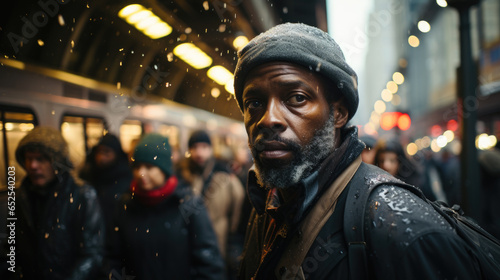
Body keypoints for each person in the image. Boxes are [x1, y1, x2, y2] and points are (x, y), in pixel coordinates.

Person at [233, 22, 485, 279]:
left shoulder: (402, 230)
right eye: (253, 102)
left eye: (296, 98)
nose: (268, 119)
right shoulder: (268, 203)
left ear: (339, 114)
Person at [105, 133, 224, 280]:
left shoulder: (188, 204)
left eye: (149, 167)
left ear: (164, 169)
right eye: (137, 167)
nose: (141, 173)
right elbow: (114, 256)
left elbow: (208, 262)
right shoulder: (126, 205)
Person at [3, 126, 105, 280]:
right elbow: (11, 246)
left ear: (58, 163)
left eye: (41, 159)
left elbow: (93, 252)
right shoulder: (22, 195)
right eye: (29, 158)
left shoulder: (82, 195)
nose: (33, 166)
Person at [177, 130, 245, 277]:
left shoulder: (225, 176)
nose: (199, 153)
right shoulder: (183, 176)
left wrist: (233, 237)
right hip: (189, 246)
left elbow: (238, 208)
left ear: (211, 149)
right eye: (194, 148)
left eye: (203, 147)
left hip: (220, 243)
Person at [79, 134, 132, 224]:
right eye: (99, 152)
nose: (101, 157)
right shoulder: (88, 174)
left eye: (106, 152)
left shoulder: (125, 178)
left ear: (116, 154)